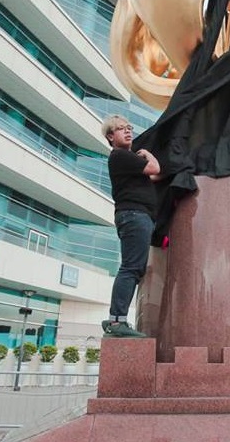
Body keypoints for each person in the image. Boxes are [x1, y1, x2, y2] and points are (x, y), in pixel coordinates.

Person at [101, 115, 160, 338]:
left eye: (129, 128)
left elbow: (155, 176)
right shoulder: (120, 155)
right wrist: (148, 154)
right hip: (135, 215)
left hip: (137, 216)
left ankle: (116, 319)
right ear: (110, 136)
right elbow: (154, 167)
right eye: (120, 129)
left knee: (133, 267)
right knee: (131, 268)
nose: (127, 131)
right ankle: (117, 321)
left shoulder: (127, 161)